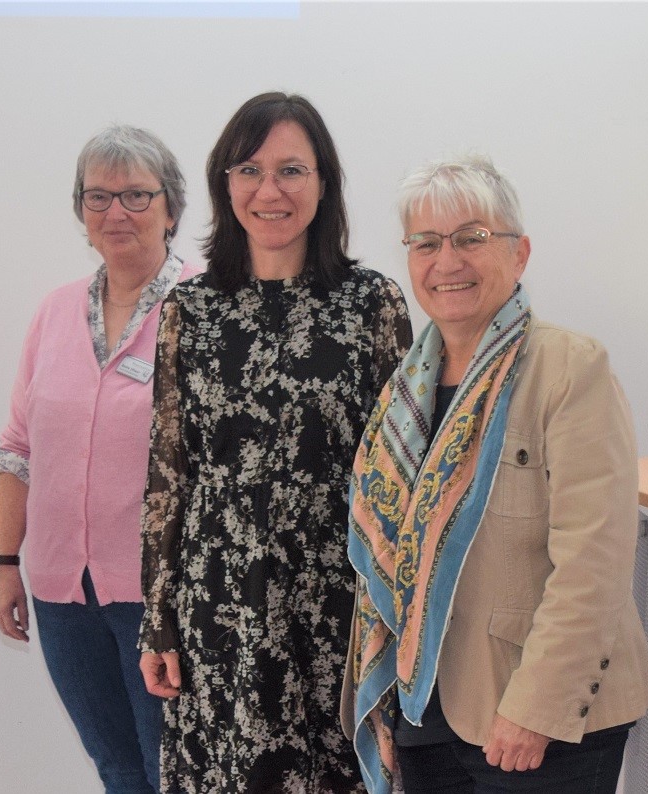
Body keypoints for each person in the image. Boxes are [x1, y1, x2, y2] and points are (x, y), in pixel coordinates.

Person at [344, 153, 648, 793]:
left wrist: (534, 708)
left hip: (536, 721)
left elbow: (593, 561)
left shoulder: (569, 369)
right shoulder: (402, 393)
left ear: (520, 253)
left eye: (472, 238)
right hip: (425, 711)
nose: (447, 261)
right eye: (426, 242)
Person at [138, 92, 412, 793]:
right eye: (249, 170)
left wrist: (405, 618)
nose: (270, 190)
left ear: (324, 184)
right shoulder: (190, 312)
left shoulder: (372, 304)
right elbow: (170, 473)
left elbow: (404, 473)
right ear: (223, 184)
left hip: (338, 605)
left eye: (292, 170)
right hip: (219, 603)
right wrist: (158, 618)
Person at [0, 125, 198, 793]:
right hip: (61, 594)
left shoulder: (205, 308)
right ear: (80, 211)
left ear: (171, 206)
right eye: (98, 196)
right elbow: (17, 447)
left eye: (136, 195)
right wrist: (3, 563)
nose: (116, 213)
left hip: (164, 597)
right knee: (117, 769)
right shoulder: (54, 311)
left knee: (176, 771)